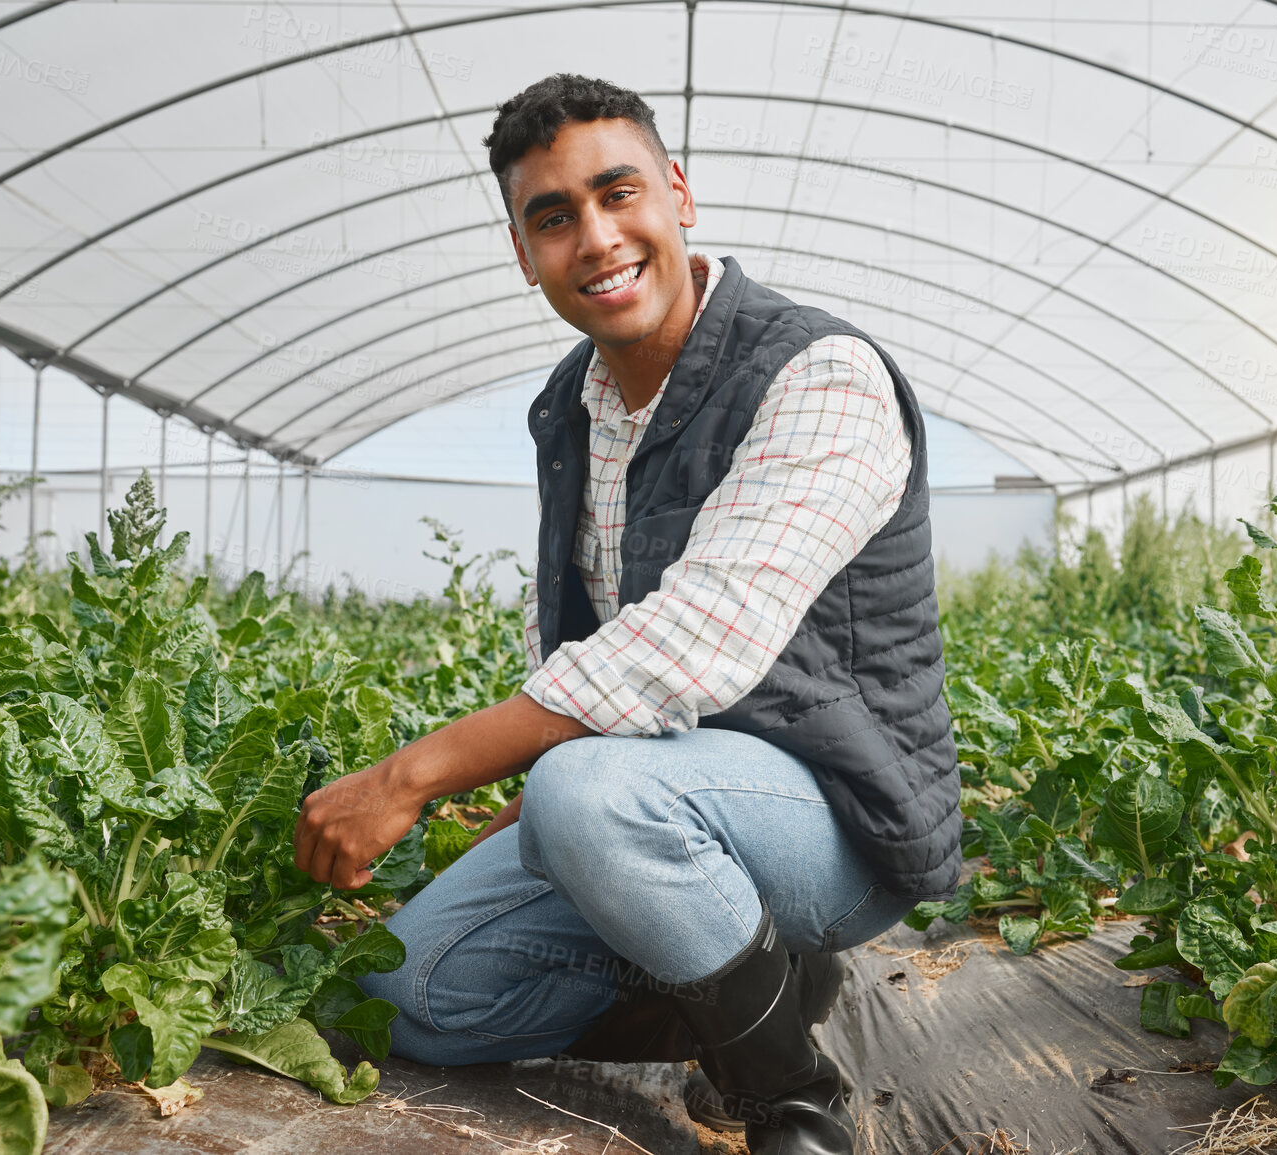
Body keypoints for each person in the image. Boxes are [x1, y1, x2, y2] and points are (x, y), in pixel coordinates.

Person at [294, 73, 960, 1155]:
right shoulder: (574, 403)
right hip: (650, 799)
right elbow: (585, 640)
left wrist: (406, 778)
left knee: (585, 788)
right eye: (552, 217)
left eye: (618, 193)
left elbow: (691, 641)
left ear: (678, 194)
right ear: (524, 252)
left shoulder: (820, 374)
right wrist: (534, 830)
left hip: (835, 823)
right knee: (406, 991)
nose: (595, 238)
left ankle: (791, 1099)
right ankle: (749, 976)